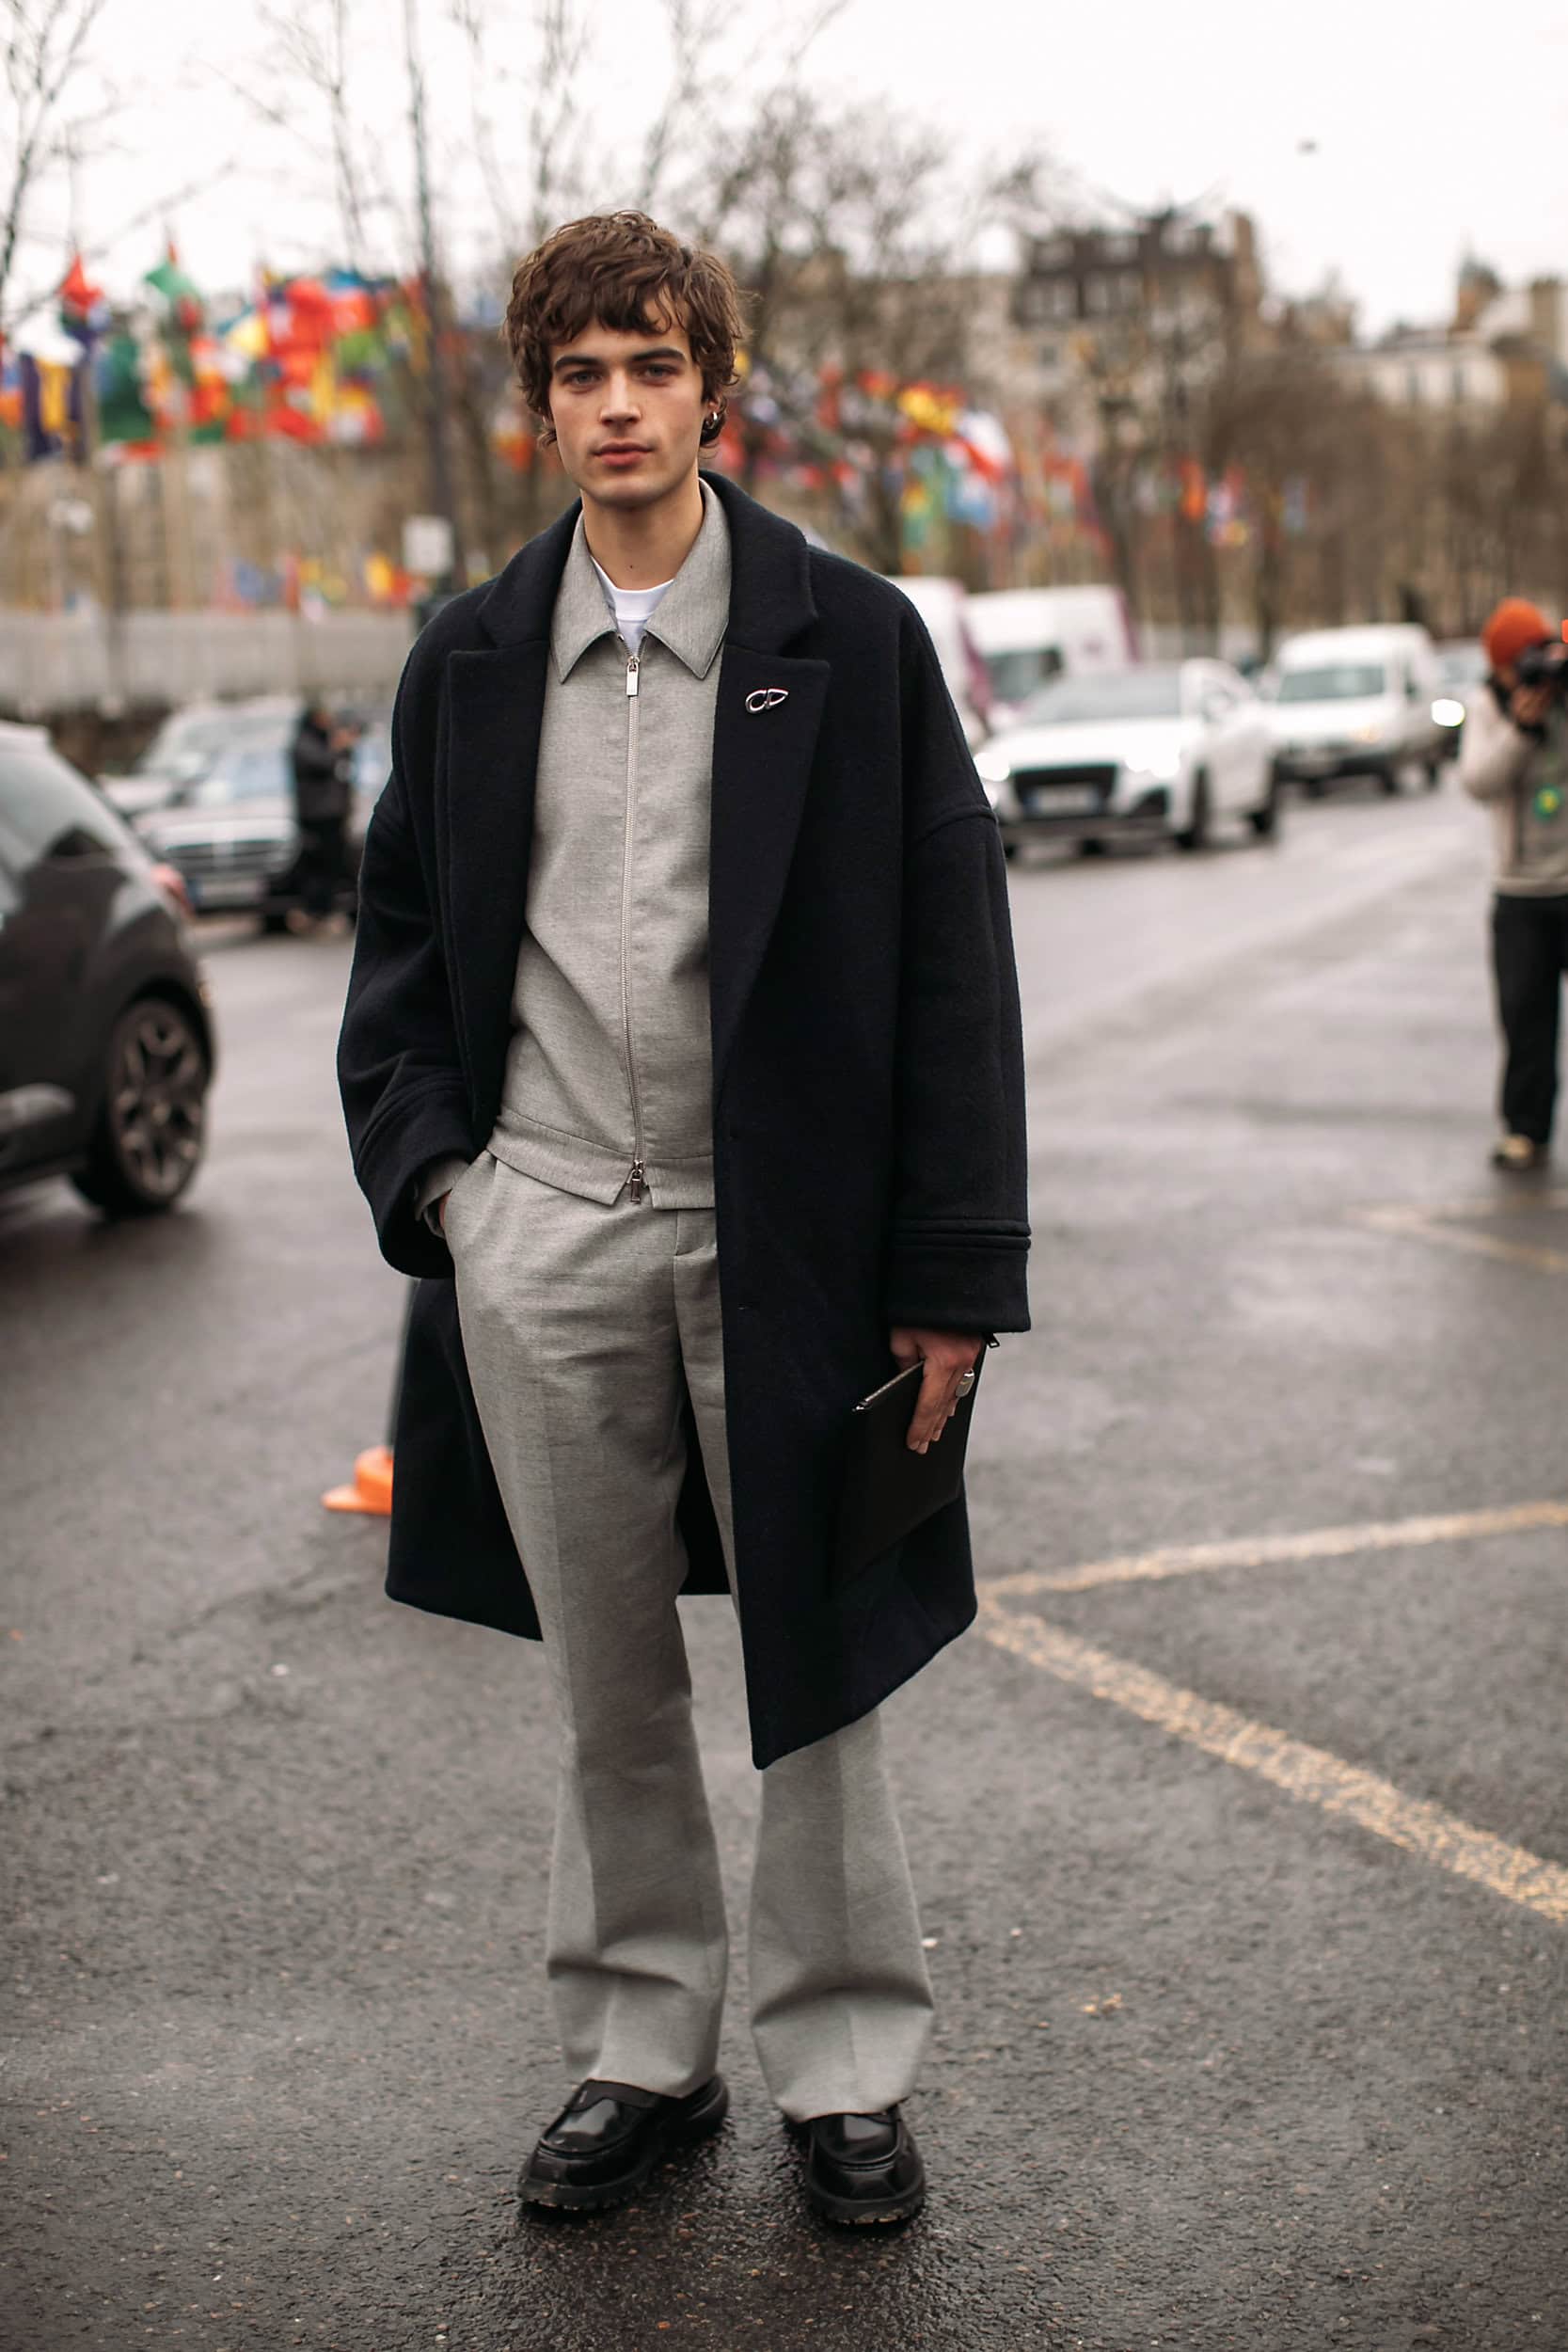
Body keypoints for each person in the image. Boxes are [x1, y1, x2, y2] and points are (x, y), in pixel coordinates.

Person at [336, 212, 1029, 2227]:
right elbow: (398, 955)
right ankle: (643, 2048)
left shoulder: (850, 638)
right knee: (607, 1680)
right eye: (581, 374)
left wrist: (947, 1275)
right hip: (542, 1234)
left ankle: (843, 2065)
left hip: (786, 1241)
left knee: (823, 1665)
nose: (618, 405)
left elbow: (950, 972)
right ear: (541, 406)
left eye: (652, 365)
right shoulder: (467, 660)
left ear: (712, 389)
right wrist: (452, 1195)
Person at [1461, 598, 1568, 1170]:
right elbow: (1478, 782)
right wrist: (1520, 730)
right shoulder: (1488, 708)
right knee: (1525, 1020)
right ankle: (1526, 1129)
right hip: (1521, 894)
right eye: (1510, 670)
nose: (1521, 678)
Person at [289, 701, 355, 919]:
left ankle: (330, 908)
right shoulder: (305, 743)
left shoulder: (321, 740)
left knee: (335, 864)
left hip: (332, 814)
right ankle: (317, 911)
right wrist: (338, 745)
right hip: (317, 816)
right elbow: (325, 762)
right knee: (319, 866)